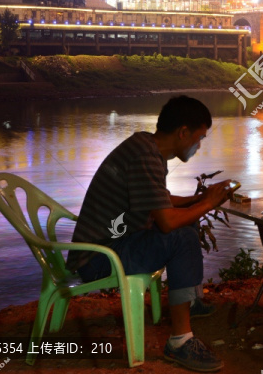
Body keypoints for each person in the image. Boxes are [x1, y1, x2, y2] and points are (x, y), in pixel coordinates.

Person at [67, 95, 234, 372]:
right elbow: (167, 222)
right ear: (182, 132)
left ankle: (190, 302)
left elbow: (161, 198)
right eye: (199, 137)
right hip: (98, 258)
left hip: (114, 243)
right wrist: (207, 204)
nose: (199, 145)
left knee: (187, 223)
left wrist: (197, 199)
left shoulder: (146, 147)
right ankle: (180, 342)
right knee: (181, 236)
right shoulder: (146, 156)